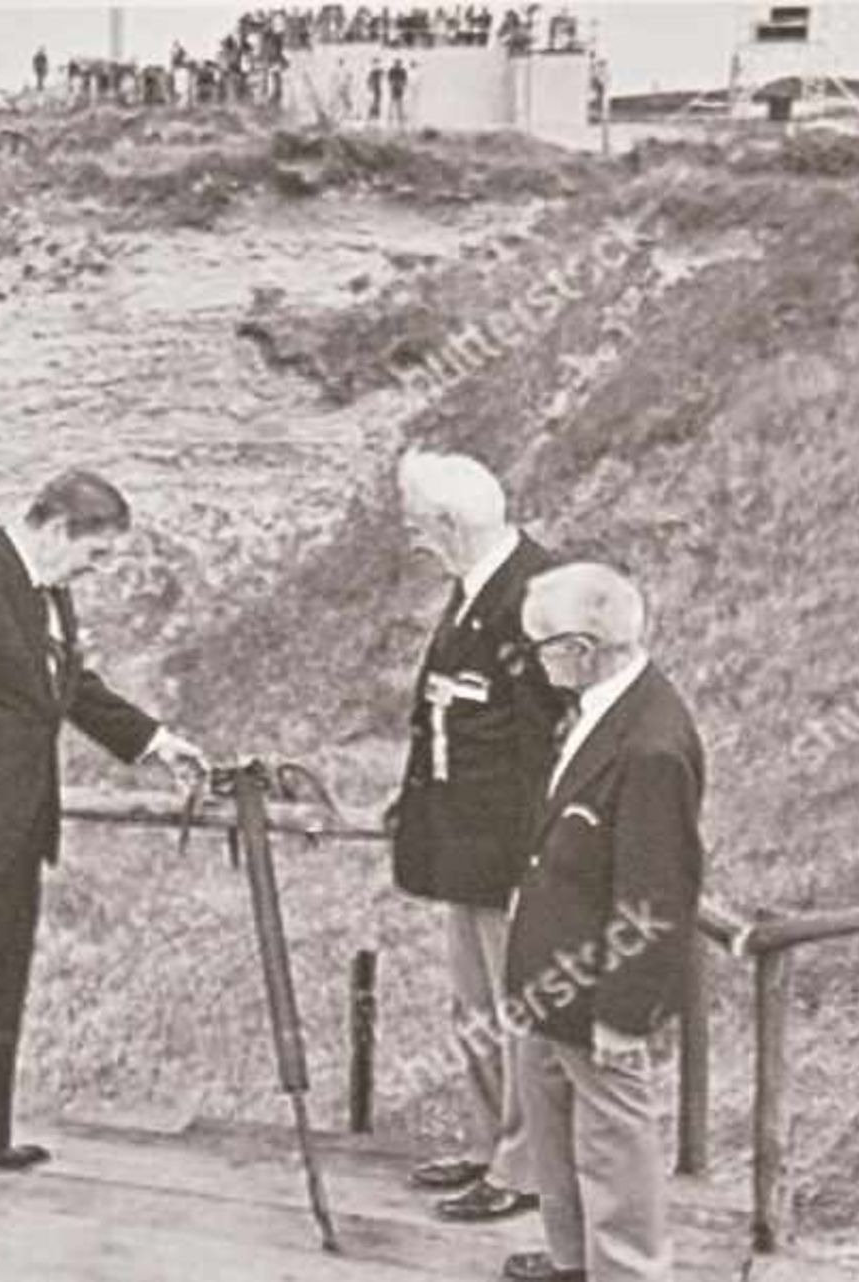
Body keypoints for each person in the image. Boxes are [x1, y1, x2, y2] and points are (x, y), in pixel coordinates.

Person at [0, 469, 207, 1222]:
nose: (98, 570)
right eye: (94, 554)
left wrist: (154, 741)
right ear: (57, 529)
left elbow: (69, 689)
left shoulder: (44, 590)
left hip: (15, 829)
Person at [500, 563, 707, 1282]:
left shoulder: (650, 745)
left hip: (597, 990)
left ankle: (625, 1272)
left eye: (542, 646)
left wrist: (625, 1014)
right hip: (550, 981)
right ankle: (571, 1261)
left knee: (615, 1148)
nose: (535, 659)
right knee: (555, 1136)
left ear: (583, 648)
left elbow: (657, 894)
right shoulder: (597, 706)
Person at [388, 451, 564, 1224]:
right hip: (464, 847)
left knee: (517, 1011)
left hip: (509, 851)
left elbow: (552, 743)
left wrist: (540, 854)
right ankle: (490, 1141)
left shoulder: (535, 597)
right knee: (477, 1009)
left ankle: (525, 1170)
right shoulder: (474, 593)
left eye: (417, 523)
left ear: (451, 525)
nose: (410, 536)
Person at [387, 57, 409, 126]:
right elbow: (389, 79)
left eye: (399, 63)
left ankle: (400, 116)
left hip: (399, 88)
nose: (398, 64)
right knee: (392, 102)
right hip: (394, 88)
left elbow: (405, 80)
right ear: (394, 63)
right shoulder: (391, 70)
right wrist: (393, 83)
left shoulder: (403, 71)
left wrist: (401, 84)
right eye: (396, 63)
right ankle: (390, 115)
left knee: (400, 102)